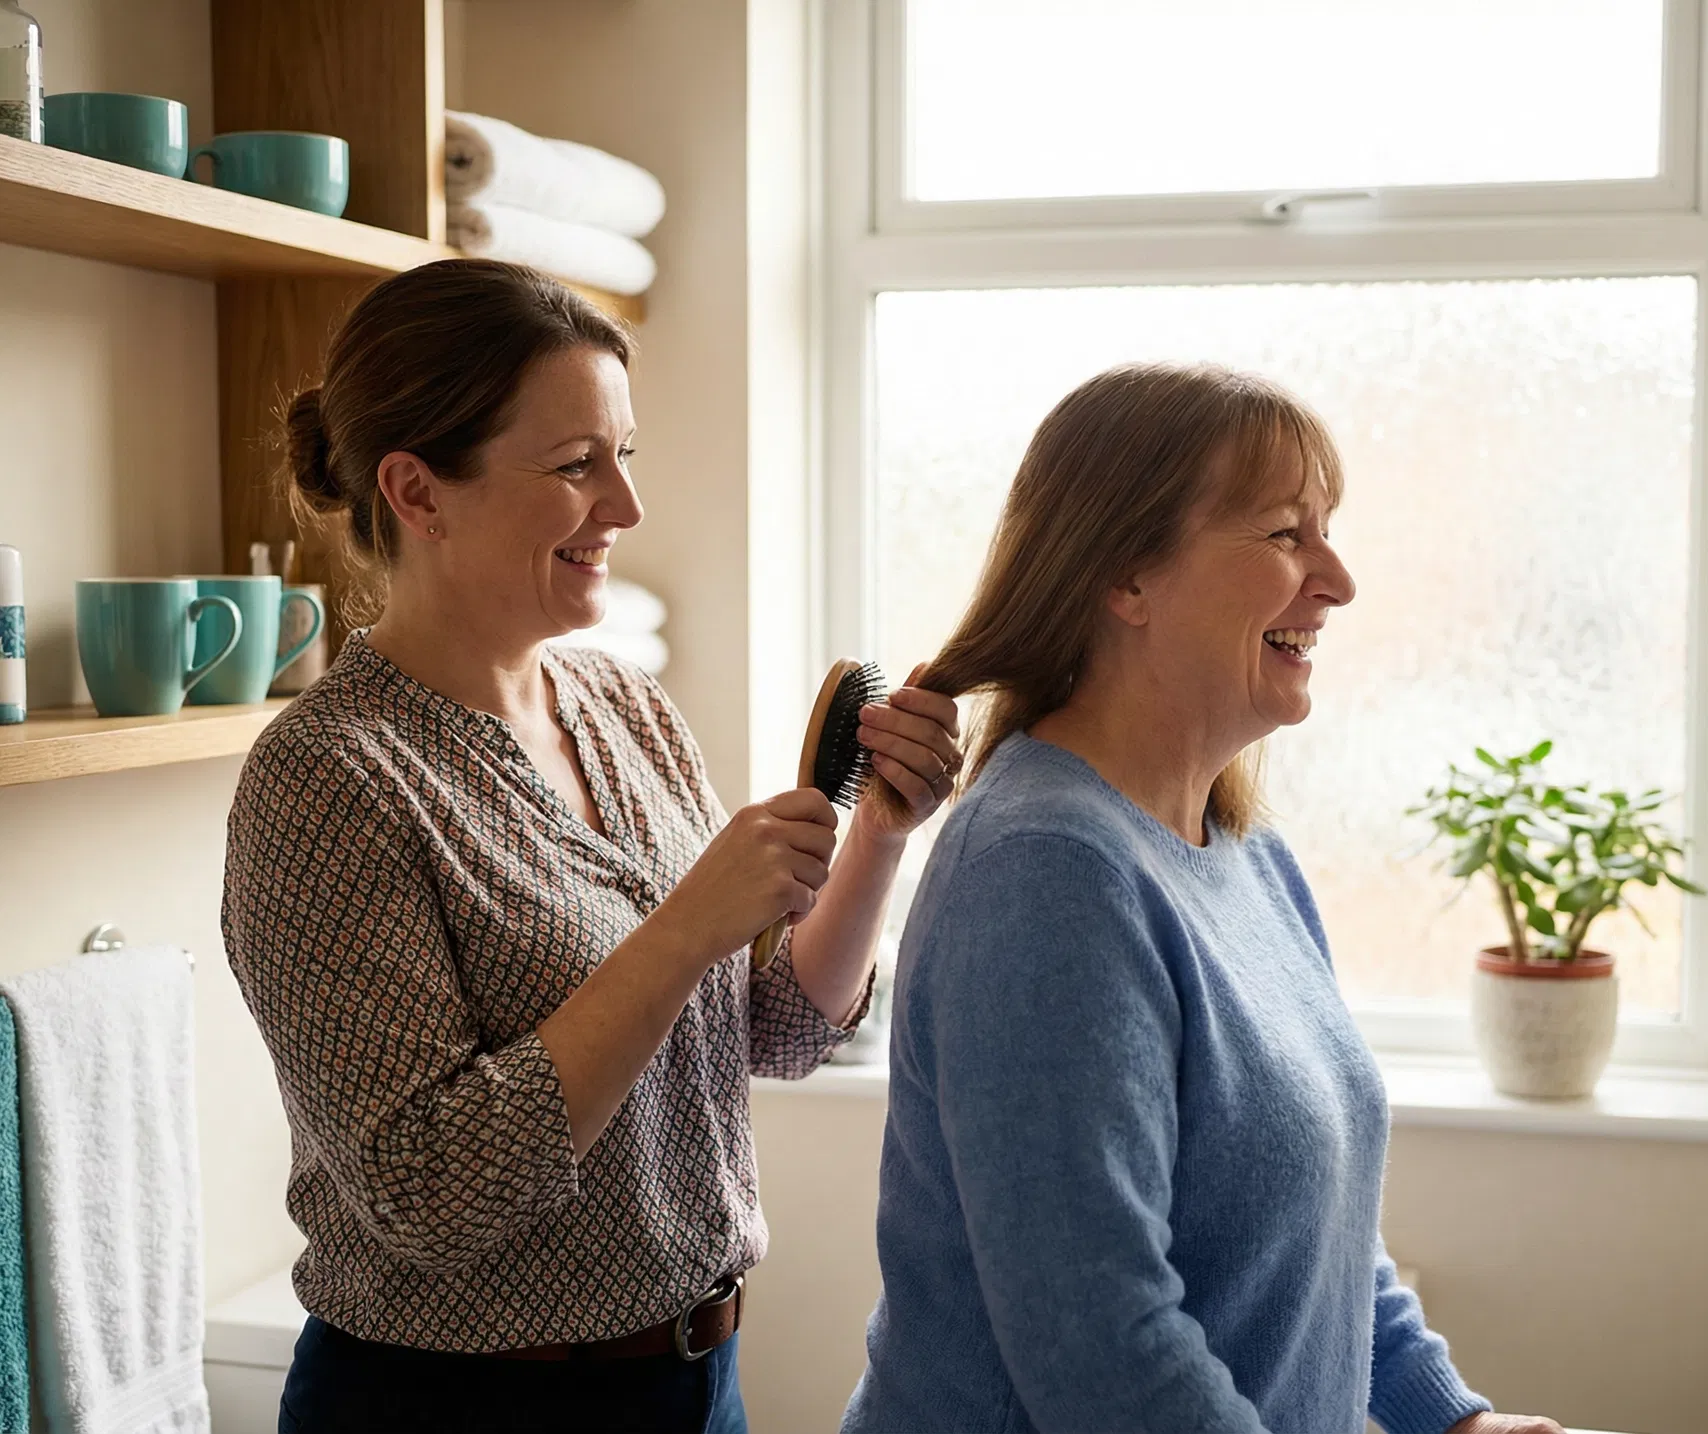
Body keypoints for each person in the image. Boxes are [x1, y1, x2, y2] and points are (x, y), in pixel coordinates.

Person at [221, 259, 961, 1434]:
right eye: (576, 466)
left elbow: (772, 1030)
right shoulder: (330, 779)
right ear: (417, 490)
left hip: (695, 1380)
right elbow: (434, 1193)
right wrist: (683, 931)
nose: (624, 505)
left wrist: (877, 835)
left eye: (626, 456)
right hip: (461, 1409)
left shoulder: (627, 709)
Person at [841, 362, 1564, 1434]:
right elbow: (1101, 1348)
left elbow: (1315, 1231)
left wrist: (1445, 1416)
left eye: (1328, 530)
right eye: (1285, 535)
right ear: (1127, 577)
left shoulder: (1242, 853)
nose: (1337, 580)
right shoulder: (1045, 872)